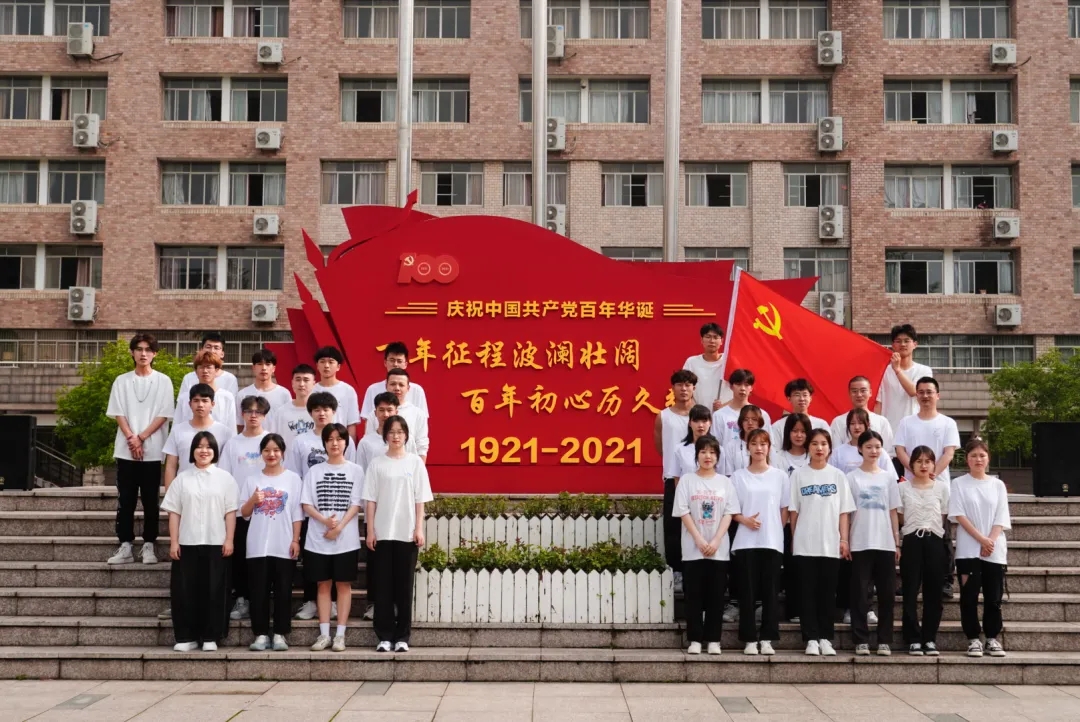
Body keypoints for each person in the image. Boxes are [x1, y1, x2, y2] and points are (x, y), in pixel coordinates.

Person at [162, 432, 238, 652]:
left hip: (216, 542)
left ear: (215, 451)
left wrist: (229, 539)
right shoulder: (182, 479)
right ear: (192, 451)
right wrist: (174, 542)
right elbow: (174, 512)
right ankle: (186, 637)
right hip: (188, 542)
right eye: (199, 446)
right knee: (185, 591)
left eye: (208, 447)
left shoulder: (225, 478)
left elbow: (230, 512)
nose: (204, 451)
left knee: (214, 590)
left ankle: (211, 636)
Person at [363, 415, 433, 653]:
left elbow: (420, 499)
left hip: (406, 533)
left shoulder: (415, 463)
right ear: (385, 435)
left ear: (406, 435)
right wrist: (370, 531)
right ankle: (384, 636)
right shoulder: (377, 464)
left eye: (400, 432)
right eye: (391, 432)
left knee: (404, 587)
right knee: (382, 587)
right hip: (382, 533)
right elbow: (370, 500)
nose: (395, 436)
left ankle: (402, 636)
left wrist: (418, 528)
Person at [105, 333, 176, 566]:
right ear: (132, 352)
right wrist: (131, 438)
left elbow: (164, 414)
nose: (143, 353)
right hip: (126, 450)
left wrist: (142, 438)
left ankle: (149, 544)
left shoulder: (163, 381)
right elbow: (118, 412)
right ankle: (125, 544)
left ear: (155, 354)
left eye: (148, 349)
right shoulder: (121, 381)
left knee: (150, 500)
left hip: (152, 451)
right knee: (125, 499)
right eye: (139, 349)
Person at [285, 390, 354, 620]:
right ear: (310, 413)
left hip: (339, 509)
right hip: (310, 509)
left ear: (334, 411)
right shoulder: (301, 441)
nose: (322, 413)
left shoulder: (344, 438)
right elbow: (294, 474)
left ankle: (332, 603)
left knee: (336, 561)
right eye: (317, 409)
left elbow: (351, 470)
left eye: (326, 409)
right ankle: (310, 601)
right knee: (312, 558)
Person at [789, 429, 855, 656]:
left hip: (830, 544)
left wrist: (844, 539)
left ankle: (826, 637)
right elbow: (794, 512)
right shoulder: (798, 475)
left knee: (827, 594)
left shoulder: (838, 476)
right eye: (815, 443)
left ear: (829, 448)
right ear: (808, 447)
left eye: (824, 443)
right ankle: (810, 639)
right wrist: (794, 539)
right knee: (806, 594)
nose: (819, 448)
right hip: (805, 544)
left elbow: (844, 512)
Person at [353, 391, 419, 621]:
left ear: (396, 411)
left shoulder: (408, 448)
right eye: (381, 410)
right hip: (376, 512)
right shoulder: (367, 442)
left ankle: (397, 608)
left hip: (401, 514)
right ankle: (375, 604)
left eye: (389, 409)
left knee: (399, 570)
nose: (385, 414)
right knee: (376, 566)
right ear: (375, 413)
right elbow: (362, 474)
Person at [893, 376, 961, 599]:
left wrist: (933, 473)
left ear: (937, 395)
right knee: (910, 534)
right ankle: (910, 581)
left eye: (929, 392)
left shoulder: (947, 423)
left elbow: (949, 452)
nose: (925, 396)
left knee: (942, 534)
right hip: (911, 488)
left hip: (938, 487)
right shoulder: (907, 422)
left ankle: (945, 580)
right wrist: (914, 470)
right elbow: (900, 450)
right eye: (921, 392)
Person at [301, 423, 364, 652]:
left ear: (346, 442)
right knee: (323, 585)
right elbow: (306, 503)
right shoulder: (314, 471)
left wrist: (339, 527)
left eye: (339, 439)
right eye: (330, 439)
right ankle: (324, 634)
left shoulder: (356, 471)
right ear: (324, 443)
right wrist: (325, 521)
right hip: (318, 539)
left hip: (345, 540)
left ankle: (340, 635)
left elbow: (356, 504)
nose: (335, 443)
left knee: (343, 585)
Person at [673, 435, 738, 655]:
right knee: (694, 596)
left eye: (712, 452)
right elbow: (683, 511)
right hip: (693, 549)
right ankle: (694, 639)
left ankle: (713, 639)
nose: (707, 456)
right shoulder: (687, 481)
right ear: (697, 455)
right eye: (703, 452)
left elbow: (729, 513)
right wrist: (699, 540)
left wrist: (716, 540)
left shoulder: (725, 483)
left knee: (716, 597)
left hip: (718, 549)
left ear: (717, 456)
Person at [950, 437, 1011, 658]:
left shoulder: (997, 485)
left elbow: (1001, 516)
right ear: (966, 459)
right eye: (973, 455)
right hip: (968, 549)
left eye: (982, 455)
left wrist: (990, 541)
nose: (978, 459)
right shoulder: (959, 484)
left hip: (994, 550)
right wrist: (981, 540)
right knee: (969, 597)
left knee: (993, 598)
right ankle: (973, 638)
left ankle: (992, 638)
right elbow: (959, 515)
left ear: (988, 458)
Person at [241, 433, 303, 652]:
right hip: (257, 545)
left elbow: (297, 513)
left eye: (276, 450)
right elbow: (244, 513)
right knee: (258, 591)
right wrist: (253, 500)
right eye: (267, 450)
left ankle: (279, 634)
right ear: (261, 453)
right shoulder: (252, 479)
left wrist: (295, 540)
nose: (271, 454)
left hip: (283, 543)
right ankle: (260, 634)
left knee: (283, 591)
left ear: (282, 453)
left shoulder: (293, 479)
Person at [730, 429, 789, 656]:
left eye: (763, 444)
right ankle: (748, 639)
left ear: (769, 447)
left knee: (770, 593)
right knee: (747, 593)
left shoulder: (780, 476)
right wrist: (745, 520)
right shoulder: (738, 477)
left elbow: (784, 508)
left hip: (772, 542)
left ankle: (767, 638)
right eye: (754, 443)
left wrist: (775, 528)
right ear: (748, 447)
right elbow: (731, 509)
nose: (759, 448)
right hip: (745, 542)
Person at [847, 430, 902, 657]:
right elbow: (847, 513)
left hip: (885, 543)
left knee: (887, 595)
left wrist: (896, 543)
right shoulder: (851, 477)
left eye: (877, 447)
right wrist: (845, 540)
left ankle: (884, 640)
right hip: (859, 542)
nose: (873, 451)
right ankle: (860, 639)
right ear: (860, 449)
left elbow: (893, 512)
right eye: (868, 447)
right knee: (859, 594)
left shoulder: (888, 478)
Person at [219, 395, 270, 622]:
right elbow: (224, 477)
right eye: (249, 411)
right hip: (240, 512)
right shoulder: (233, 443)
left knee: (263, 559)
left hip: (267, 513)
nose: (253, 416)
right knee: (240, 557)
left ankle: (262, 598)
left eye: (258, 412)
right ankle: (242, 598)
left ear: (265, 415)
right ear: (242, 414)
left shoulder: (271, 441)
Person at [897, 445, 950, 656]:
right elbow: (899, 517)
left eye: (928, 461)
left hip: (934, 540)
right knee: (910, 590)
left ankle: (929, 638)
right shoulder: (902, 488)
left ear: (933, 465)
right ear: (911, 465)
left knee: (934, 592)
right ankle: (913, 638)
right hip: (912, 541)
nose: (923, 465)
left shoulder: (942, 488)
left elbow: (943, 516)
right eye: (919, 461)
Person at [654, 369, 697, 593]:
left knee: (700, 524)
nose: (684, 389)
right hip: (673, 478)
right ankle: (676, 571)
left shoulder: (701, 415)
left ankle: (696, 570)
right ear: (673, 388)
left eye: (688, 385)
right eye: (679, 384)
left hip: (700, 479)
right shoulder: (663, 416)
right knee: (673, 526)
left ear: (694, 388)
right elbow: (660, 447)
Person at [876, 325, 933, 460]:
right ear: (893, 345)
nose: (902, 344)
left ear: (915, 344)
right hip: (889, 434)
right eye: (898, 341)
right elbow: (878, 403)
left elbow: (914, 391)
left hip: (915, 433)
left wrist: (897, 370)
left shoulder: (924, 371)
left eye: (907, 341)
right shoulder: (883, 371)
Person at [163, 384, 236, 489]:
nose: (200, 405)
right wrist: (169, 493)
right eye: (196, 401)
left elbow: (230, 466)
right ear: (190, 404)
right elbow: (171, 465)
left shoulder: (225, 432)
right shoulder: (177, 431)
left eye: (205, 401)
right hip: (185, 488)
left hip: (215, 489)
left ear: (212, 404)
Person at [360, 341, 429, 430]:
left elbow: (422, 421)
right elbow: (368, 421)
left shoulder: (417, 390)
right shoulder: (373, 389)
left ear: (405, 364)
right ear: (385, 362)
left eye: (399, 361)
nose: (395, 364)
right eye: (392, 360)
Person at [371, 369, 430, 461]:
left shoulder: (418, 414)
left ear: (408, 388)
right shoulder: (374, 414)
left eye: (401, 385)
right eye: (393, 384)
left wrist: (419, 468)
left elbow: (422, 447)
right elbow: (369, 441)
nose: (397, 388)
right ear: (386, 386)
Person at [175, 350, 239, 429]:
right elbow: (176, 426)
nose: (205, 371)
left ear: (216, 370)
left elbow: (231, 428)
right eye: (201, 367)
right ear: (196, 371)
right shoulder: (184, 398)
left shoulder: (227, 397)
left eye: (209, 367)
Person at [829, 376, 894, 452]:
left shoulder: (882, 422)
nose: (859, 395)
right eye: (854, 391)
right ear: (849, 393)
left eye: (863, 391)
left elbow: (888, 451)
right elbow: (835, 451)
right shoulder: (838, 422)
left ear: (870, 393)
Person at [235, 349, 293, 430]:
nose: (263, 368)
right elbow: (240, 424)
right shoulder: (242, 394)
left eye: (268, 364)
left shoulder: (284, 394)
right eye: (259, 364)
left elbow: (288, 422)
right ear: (253, 367)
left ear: (274, 368)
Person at [830, 409, 898, 478]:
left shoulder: (878, 451)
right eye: (852, 423)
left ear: (868, 425)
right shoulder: (838, 452)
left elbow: (891, 478)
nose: (856, 427)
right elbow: (832, 477)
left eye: (860, 423)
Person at [312, 346, 361, 441]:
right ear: (317, 365)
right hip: (314, 442)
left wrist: (349, 446)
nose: (326, 365)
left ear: (338, 366)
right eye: (322, 361)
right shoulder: (311, 390)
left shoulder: (348, 390)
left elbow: (351, 424)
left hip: (339, 442)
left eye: (331, 362)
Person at [713, 369, 771, 447]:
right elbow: (715, 445)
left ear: (751, 388)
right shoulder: (719, 415)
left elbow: (768, 443)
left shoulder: (762, 414)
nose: (742, 388)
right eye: (738, 384)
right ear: (731, 386)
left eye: (746, 385)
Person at [768, 379, 829, 451]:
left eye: (805, 395)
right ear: (789, 398)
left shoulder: (821, 425)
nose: (802, 399)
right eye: (797, 395)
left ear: (810, 398)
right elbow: (774, 451)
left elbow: (828, 450)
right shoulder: (778, 426)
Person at [177, 332, 239, 401]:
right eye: (208, 347)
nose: (212, 351)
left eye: (216, 348)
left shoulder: (230, 379)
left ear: (222, 354)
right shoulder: (188, 378)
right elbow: (182, 402)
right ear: (201, 350)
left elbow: (231, 404)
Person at [265, 364, 317, 443]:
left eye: (306, 380)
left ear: (313, 384)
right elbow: (273, 440)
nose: (301, 384)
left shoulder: (320, 412)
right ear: (292, 383)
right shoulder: (281, 412)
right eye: (298, 380)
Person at [682, 323, 729, 411]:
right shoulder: (692, 362)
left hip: (726, 415)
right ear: (702, 340)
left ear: (722, 341)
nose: (712, 341)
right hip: (699, 416)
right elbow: (685, 389)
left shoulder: (729, 361)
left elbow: (742, 391)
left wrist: (724, 407)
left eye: (715, 337)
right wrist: (697, 411)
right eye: (708, 337)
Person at [721, 405, 769, 476]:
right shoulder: (731, 446)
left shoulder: (766, 445)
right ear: (741, 422)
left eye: (754, 419)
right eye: (746, 419)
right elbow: (729, 473)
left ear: (759, 422)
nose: (750, 423)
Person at [674, 405, 715, 478]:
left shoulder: (718, 449)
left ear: (710, 423)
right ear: (690, 423)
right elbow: (677, 477)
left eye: (704, 421)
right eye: (696, 421)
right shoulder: (679, 449)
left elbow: (721, 477)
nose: (700, 425)